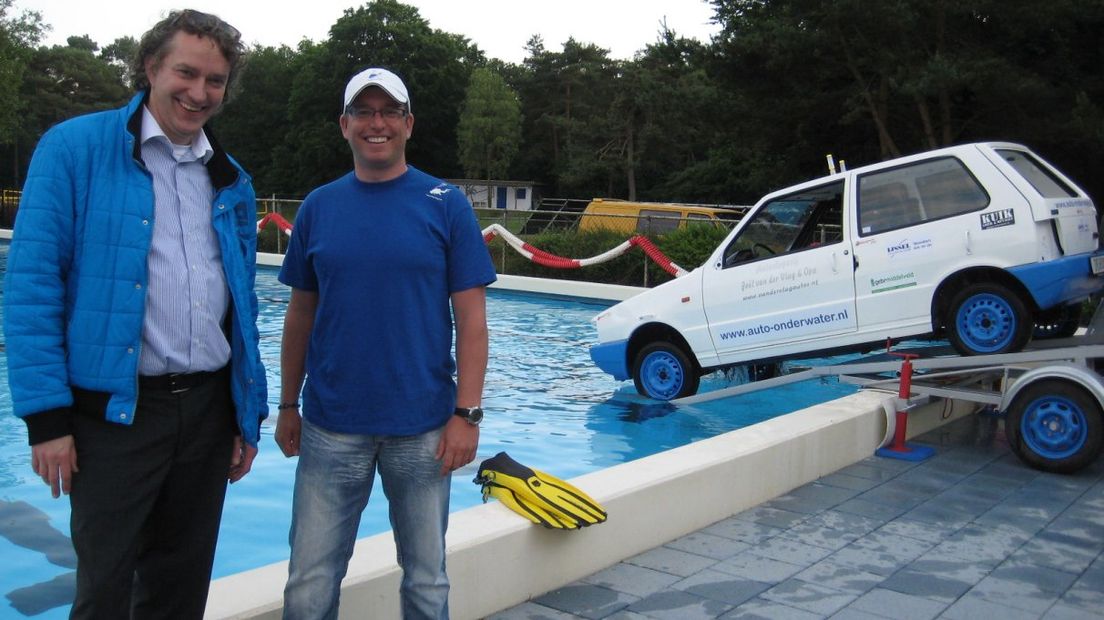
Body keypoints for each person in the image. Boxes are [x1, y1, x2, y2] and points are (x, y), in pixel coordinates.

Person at [2, 9, 268, 619]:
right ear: (150, 66)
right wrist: (46, 419)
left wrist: (244, 413)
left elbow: (241, 307)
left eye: (216, 81)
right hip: (114, 416)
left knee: (180, 589)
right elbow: (32, 288)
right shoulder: (74, 150)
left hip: (206, 413)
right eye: (186, 72)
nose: (199, 93)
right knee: (105, 589)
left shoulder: (231, 180)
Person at [276, 67, 496, 619]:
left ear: (409, 123)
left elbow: (471, 319)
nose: (378, 124)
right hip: (330, 426)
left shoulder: (445, 203)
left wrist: (467, 413)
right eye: (365, 113)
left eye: (390, 112)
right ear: (344, 125)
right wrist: (286, 404)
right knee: (308, 582)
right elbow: (300, 315)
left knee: (427, 582)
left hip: (424, 428)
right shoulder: (319, 208)